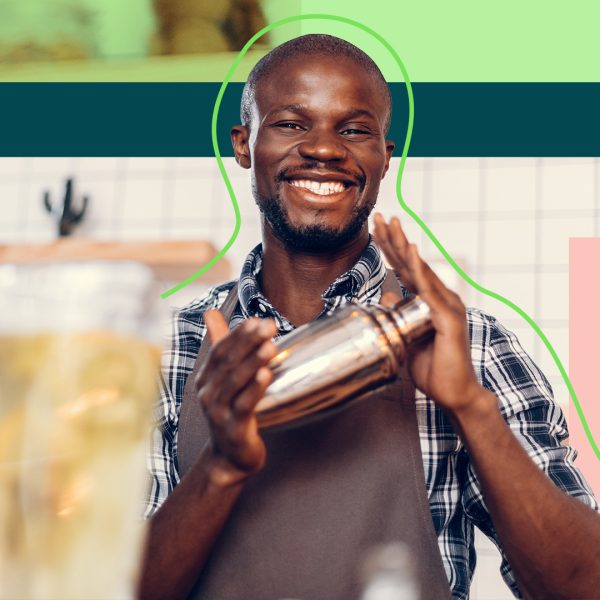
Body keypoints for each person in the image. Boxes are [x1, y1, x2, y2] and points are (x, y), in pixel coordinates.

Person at [139, 34, 600, 600]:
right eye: (290, 123)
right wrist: (222, 466)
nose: (325, 149)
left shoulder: (472, 344)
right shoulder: (165, 350)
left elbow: (584, 585)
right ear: (243, 143)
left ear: (386, 154)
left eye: (354, 130)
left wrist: (470, 406)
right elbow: (112, 588)